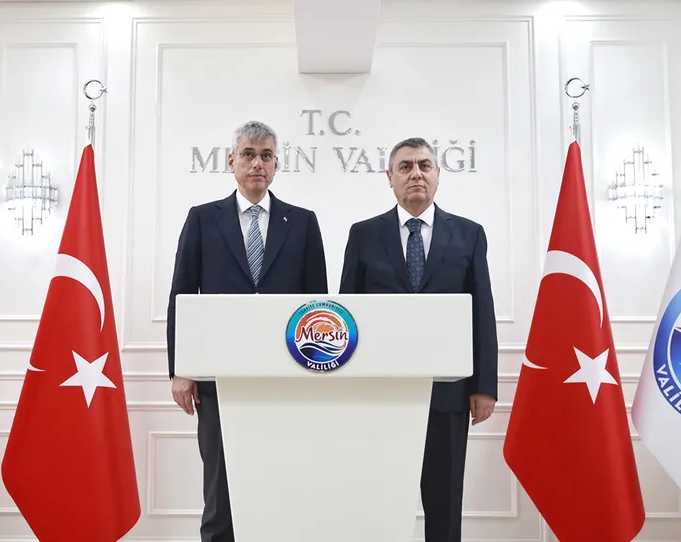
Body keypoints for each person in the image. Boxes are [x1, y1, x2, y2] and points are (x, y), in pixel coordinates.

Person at [166, 120, 328, 542]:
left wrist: (317, 375)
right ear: (231, 161)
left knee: (281, 489)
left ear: (276, 165)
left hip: (286, 379)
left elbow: (317, 306)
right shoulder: (203, 219)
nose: (258, 163)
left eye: (266, 156)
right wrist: (181, 369)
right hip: (218, 379)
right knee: (220, 497)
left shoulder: (303, 223)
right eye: (249, 155)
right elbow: (182, 295)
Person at [339, 137, 498, 542]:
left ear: (438, 175)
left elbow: (482, 312)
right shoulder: (363, 234)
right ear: (389, 177)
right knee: (379, 504)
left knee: (444, 504)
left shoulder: (468, 234)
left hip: (449, 393)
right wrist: (347, 388)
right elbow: (347, 318)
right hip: (380, 395)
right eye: (406, 166)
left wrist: (484, 386)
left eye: (425, 166)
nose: (416, 174)